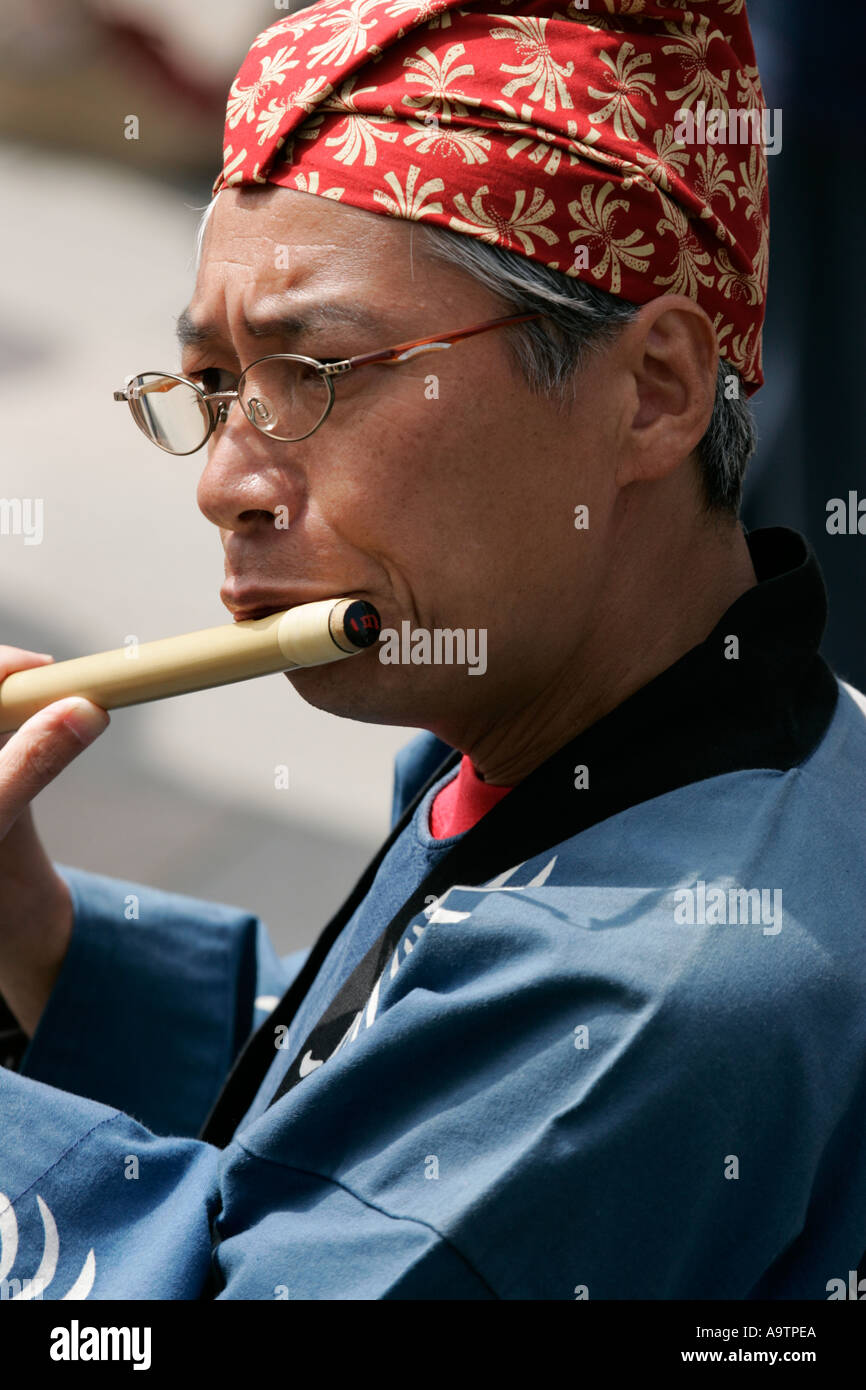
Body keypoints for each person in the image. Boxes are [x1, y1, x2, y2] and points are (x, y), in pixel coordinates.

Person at [1, 0, 865, 1301]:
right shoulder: (603, 734)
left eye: (320, 373)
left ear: (655, 389)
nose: (228, 481)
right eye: (219, 388)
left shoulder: (659, 994)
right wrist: (50, 948)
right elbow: (383, 1097)